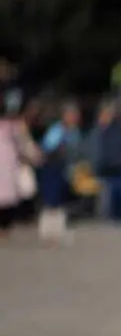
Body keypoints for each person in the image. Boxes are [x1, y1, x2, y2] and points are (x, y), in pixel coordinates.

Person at [36, 101, 83, 244]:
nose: (74, 118)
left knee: (62, 202)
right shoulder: (56, 130)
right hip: (53, 168)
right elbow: (47, 148)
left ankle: (58, 231)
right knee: (51, 201)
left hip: (67, 169)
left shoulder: (74, 131)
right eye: (71, 115)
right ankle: (47, 233)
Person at [0, 90, 41, 239]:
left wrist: (34, 156)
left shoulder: (14, 126)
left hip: (10, 165)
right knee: (7, 196)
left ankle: (6, 227)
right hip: (8, 165)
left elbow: (24, 144)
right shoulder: (13, 126)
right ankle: (6, 227)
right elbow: (25, 144)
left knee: (9, 197)